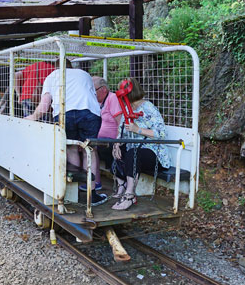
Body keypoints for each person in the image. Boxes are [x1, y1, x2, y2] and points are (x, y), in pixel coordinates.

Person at [25, 59, 108, 206]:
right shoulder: (84, 74)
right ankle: (91, 194)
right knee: (90, 150)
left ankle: (71, 193)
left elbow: (44, 106)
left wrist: (33, 116)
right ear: (71, 66)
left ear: (56, 67)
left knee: (70, 149)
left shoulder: (52, 76)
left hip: (65, 114)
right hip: (89, 113)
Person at [111, 78, 171, 210]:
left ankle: (130, 195)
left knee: (133, 154)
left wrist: (137, 129)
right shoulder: (127, 107)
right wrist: (116, 144)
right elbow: (122, 130)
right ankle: (122, 185)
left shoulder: (148, 107)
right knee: (112, 147)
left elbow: (161, 133)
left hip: (154, 152)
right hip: (135, 149)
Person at [79, 77, 122, 192]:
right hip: (99, 138)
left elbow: (121, 123)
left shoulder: (112, 98)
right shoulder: (96, 101)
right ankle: (86, 180)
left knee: (91, 147)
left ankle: (95, 182)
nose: (92, 93)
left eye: (94, 90)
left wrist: (118, 142)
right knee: (80, 145)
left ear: (103, 89)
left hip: (111, 140)